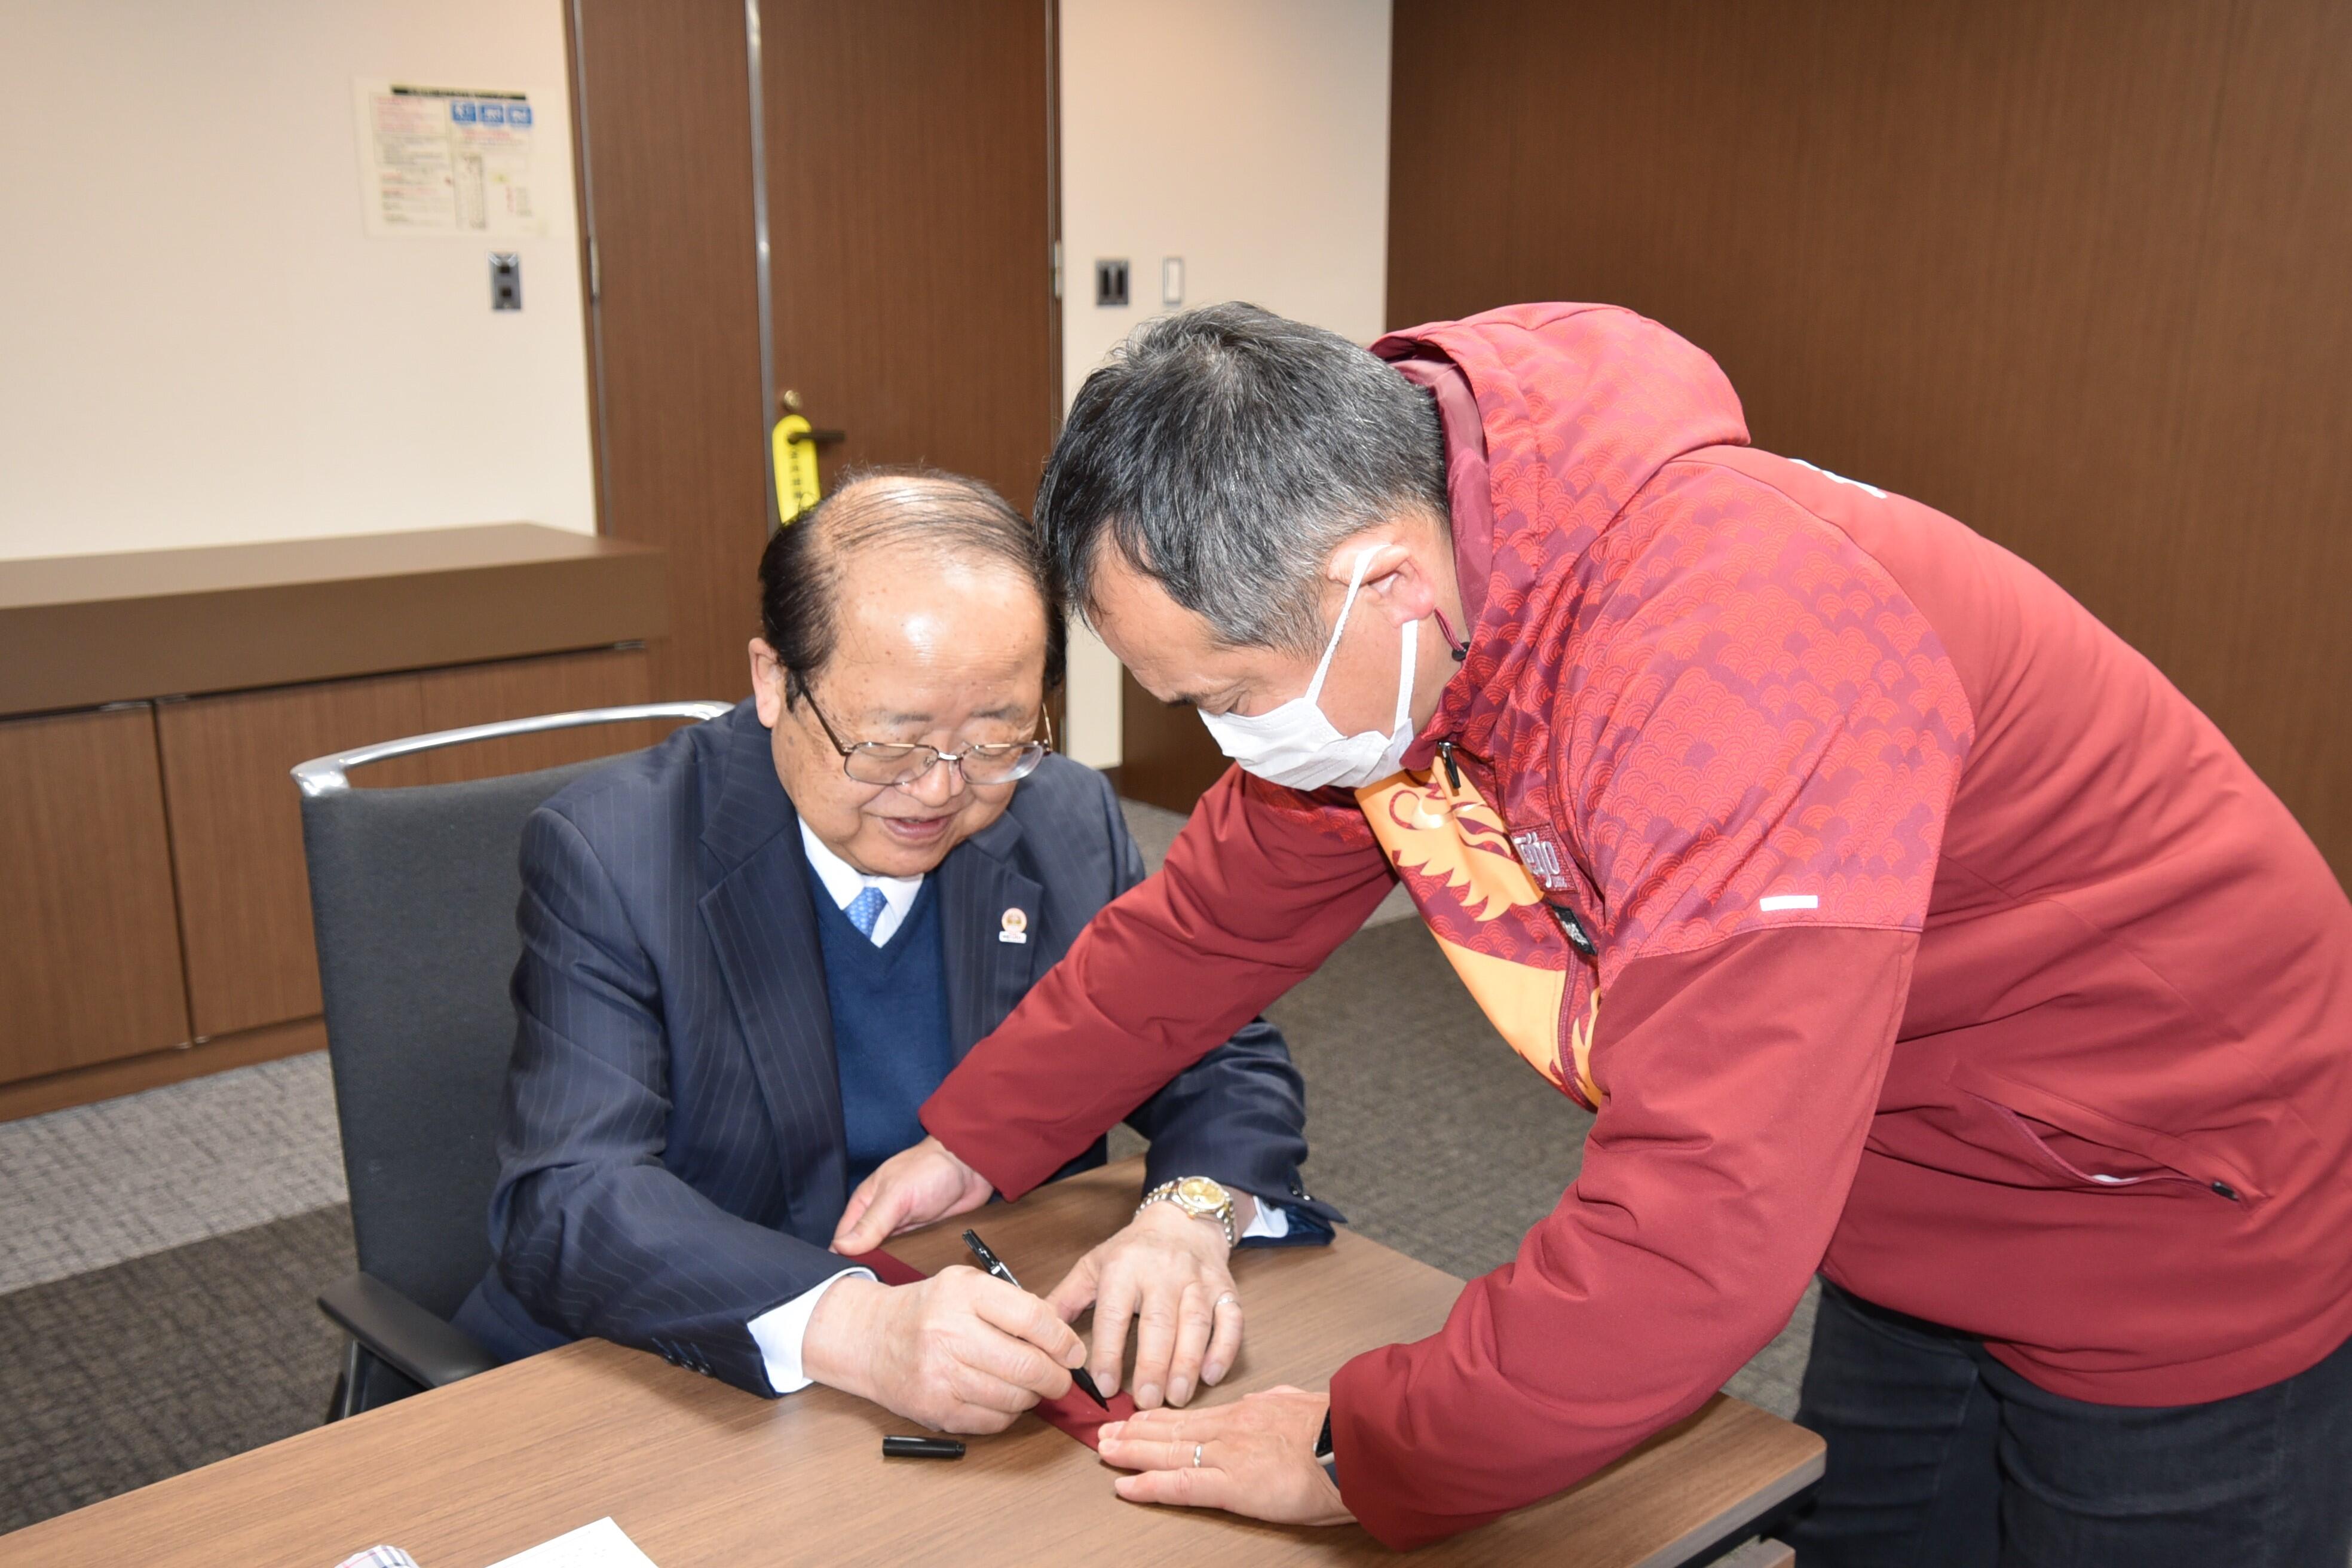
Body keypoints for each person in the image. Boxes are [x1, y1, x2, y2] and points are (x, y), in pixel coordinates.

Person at [831, 305, 2352, 1561]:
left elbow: (1698, 1221)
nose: (1234, 747)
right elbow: (1212, 915)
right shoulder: (1420, 609)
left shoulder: (1740, 656)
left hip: (2176, 1198)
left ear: (1389, 585)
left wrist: (1362, 1450)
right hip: (1900, 1178)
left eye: (1230, 694)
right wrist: (987, 1132)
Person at [451, 468, 1337, 1435]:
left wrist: (1188, 1216)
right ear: (773, 680)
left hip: (995, 1342)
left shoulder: (1060, 812)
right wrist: (860, 1326)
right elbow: (570, 1197)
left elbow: (1218, 1045)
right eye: (889, 744)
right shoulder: (619, 848)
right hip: (691, 1374)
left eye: (997, 736)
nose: (938, 791)